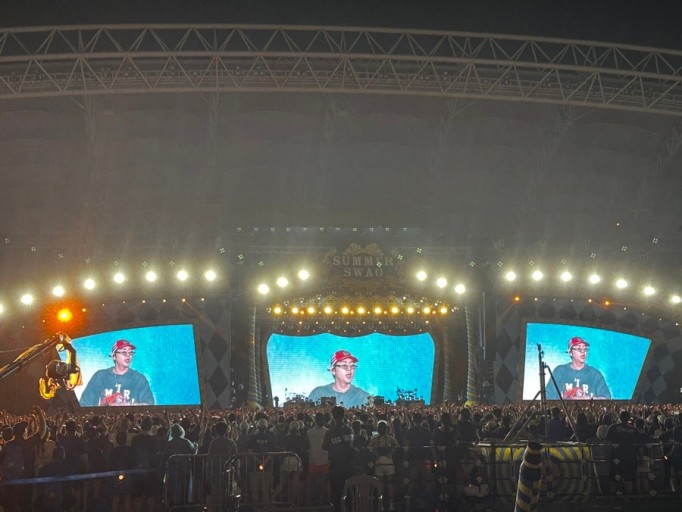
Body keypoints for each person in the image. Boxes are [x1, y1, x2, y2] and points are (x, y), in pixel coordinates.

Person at [80, 339, 155, 406]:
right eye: (123, 352)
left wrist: (126, 406)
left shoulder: (139, 379)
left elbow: (149, 406)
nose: (128, 355)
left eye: (130, 352)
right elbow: (84, 404)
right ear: (114, 356)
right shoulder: (100, 376)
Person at [546, 337, 611, 400]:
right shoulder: (560, 371)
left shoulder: (594, 374)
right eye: (579, 349)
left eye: (585, 349)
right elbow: (548, 397)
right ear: (570, 352)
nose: (583, 352)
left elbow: (606, 399)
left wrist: (588, 399)